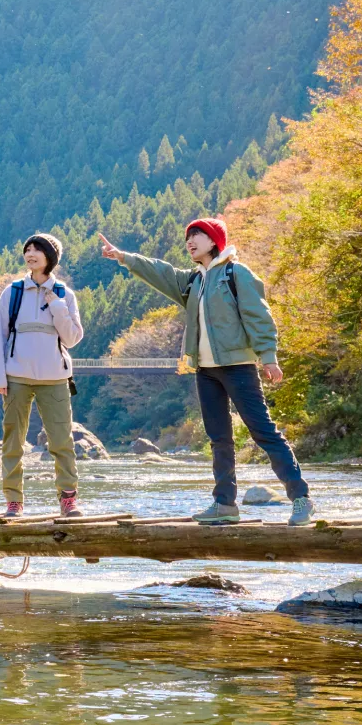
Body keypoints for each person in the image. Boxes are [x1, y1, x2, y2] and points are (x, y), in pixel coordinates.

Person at [98, 218, 315, 526]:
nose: (190, 241)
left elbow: (258, 315)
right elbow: (162, 272)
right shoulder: (194, 281)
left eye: (197, 235)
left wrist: (268, 356)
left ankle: (301, 498)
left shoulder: (235, 274)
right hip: (206, 371)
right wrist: (123, 257)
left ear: (214, 241)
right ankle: (225, 504)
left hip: (238, 366)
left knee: (263, 432)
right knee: (219, 438)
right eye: (188, 237)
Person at [0, 233, 85, 518]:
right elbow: (0, 336)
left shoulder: (65, 294)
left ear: (50, 257)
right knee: (13, 442)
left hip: (55, 377)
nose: (30, 254)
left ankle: (68, 499)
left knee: (61, 441)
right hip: (16, 376)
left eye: (37, 250)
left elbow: (72, 338)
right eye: (27, 249)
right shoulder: (13, 292)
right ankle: (14, 502)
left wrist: (56, 305)